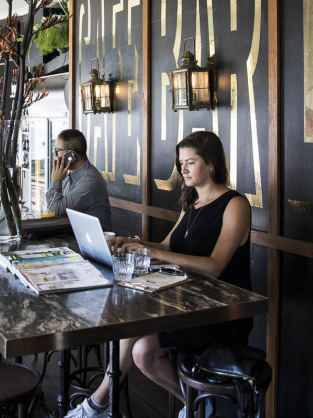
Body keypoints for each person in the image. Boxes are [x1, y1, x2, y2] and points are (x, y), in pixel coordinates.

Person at [66, 131, 252, 418]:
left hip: (220, 313)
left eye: (191, 162)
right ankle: (197, 406)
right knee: (141, 351)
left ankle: (97, 404)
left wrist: (153, 252)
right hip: (187, 303)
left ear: (211, 164)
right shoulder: (192, 202)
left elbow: (214, 266)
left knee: (135, 330)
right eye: (181, 163)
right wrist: (133, 243)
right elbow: (166, 246)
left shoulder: (235, 204)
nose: (183, 169)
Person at [44, 129, 112, 231]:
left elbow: (54, 211)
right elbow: (52, 208)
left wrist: (56, 181)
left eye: (58, 150)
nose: (55, 155)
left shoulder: (89, 180)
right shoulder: (70, 175)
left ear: (71, 155)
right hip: (74, 235)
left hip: (92, 239)